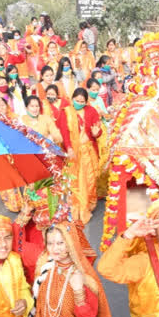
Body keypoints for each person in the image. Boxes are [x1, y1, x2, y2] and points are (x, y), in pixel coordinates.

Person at [55, 88, 102, 225]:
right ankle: (78, 209)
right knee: (77, 182)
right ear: (72, 98)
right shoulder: (66, 112)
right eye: (77, 101)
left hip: (89, 151)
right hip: (74, 153)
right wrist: (69, 148)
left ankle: (89, 204)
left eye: (82, 101)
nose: (79, 103)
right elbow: (64, 133)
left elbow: (97, 131)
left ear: (86, 101)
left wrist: (96, 133)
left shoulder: (91, 111)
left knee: (90, 180)